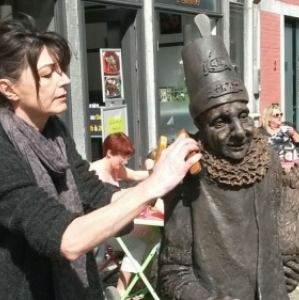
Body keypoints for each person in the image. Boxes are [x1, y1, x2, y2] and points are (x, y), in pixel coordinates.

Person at [0, 14, 200, 300]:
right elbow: (66, 239)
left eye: (62, 69)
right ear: (8, 88)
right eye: (48, 74)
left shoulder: (54, 131)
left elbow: (94, 192)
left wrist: (167, 183)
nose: (66, 80)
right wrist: (153, 184)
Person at [157, 14, 299, 300]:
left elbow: (285, 229)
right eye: (221, 122)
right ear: (201, 127)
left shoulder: (266, 157)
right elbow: (172, 273)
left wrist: (291, 264)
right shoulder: (189, 175)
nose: (239, 132)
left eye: (244, 116)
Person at [90, 133, 162, 297]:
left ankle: (141, 284)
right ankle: (122, 291)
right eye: (123, 157)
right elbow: (112, 198)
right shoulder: (95, 172)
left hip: (115, 225)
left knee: (153, 235)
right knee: (139, 243)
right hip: (101, 231)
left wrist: (158, 171)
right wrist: (140, 192)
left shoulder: (115, 167)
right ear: (109, 153)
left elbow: (136, 175)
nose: (125, 161)